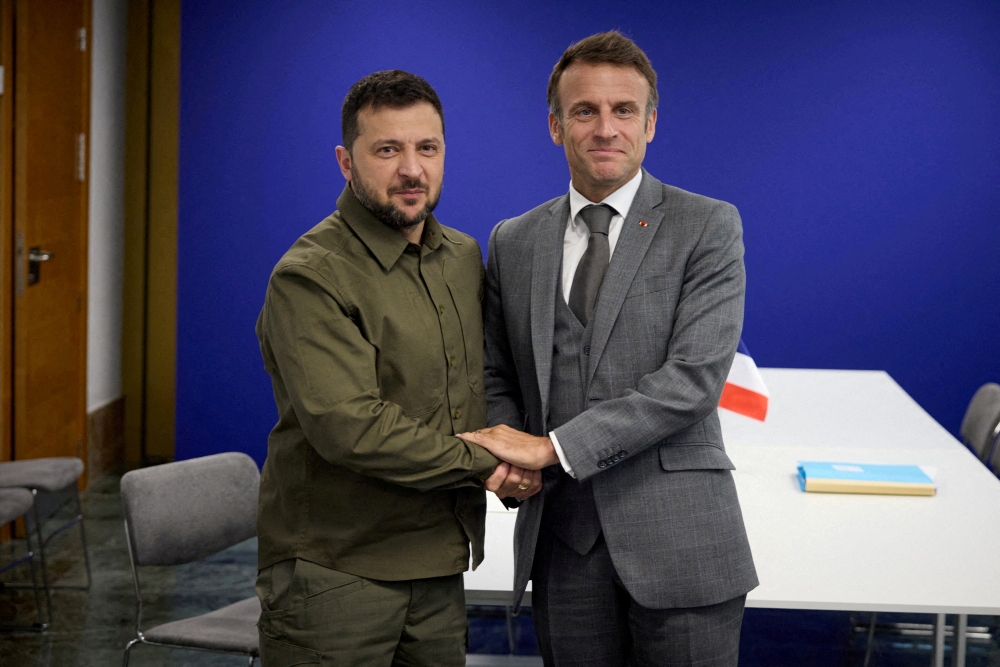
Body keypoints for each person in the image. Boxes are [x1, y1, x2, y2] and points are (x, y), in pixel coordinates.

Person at [460, 32, 758, 666]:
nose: (605, 128)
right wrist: (516, 460)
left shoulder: (707, 225)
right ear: (554, 125)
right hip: (563, 546)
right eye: (584, 110)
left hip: (682, 542)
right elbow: (496, 373)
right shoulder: (513, 242)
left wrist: (553, 448)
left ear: (650, 124)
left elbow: (693, 381)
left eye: (624, 110)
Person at [254, 69, 541, 667]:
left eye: (427, 148)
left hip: (437, 561)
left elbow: (483, 382)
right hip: (337, 570)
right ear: (346, 162)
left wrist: (537, 447)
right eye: (387, 149)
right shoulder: (310, 275)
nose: (412, 169)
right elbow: (350, 427)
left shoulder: (461, 256)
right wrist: (493, 461)